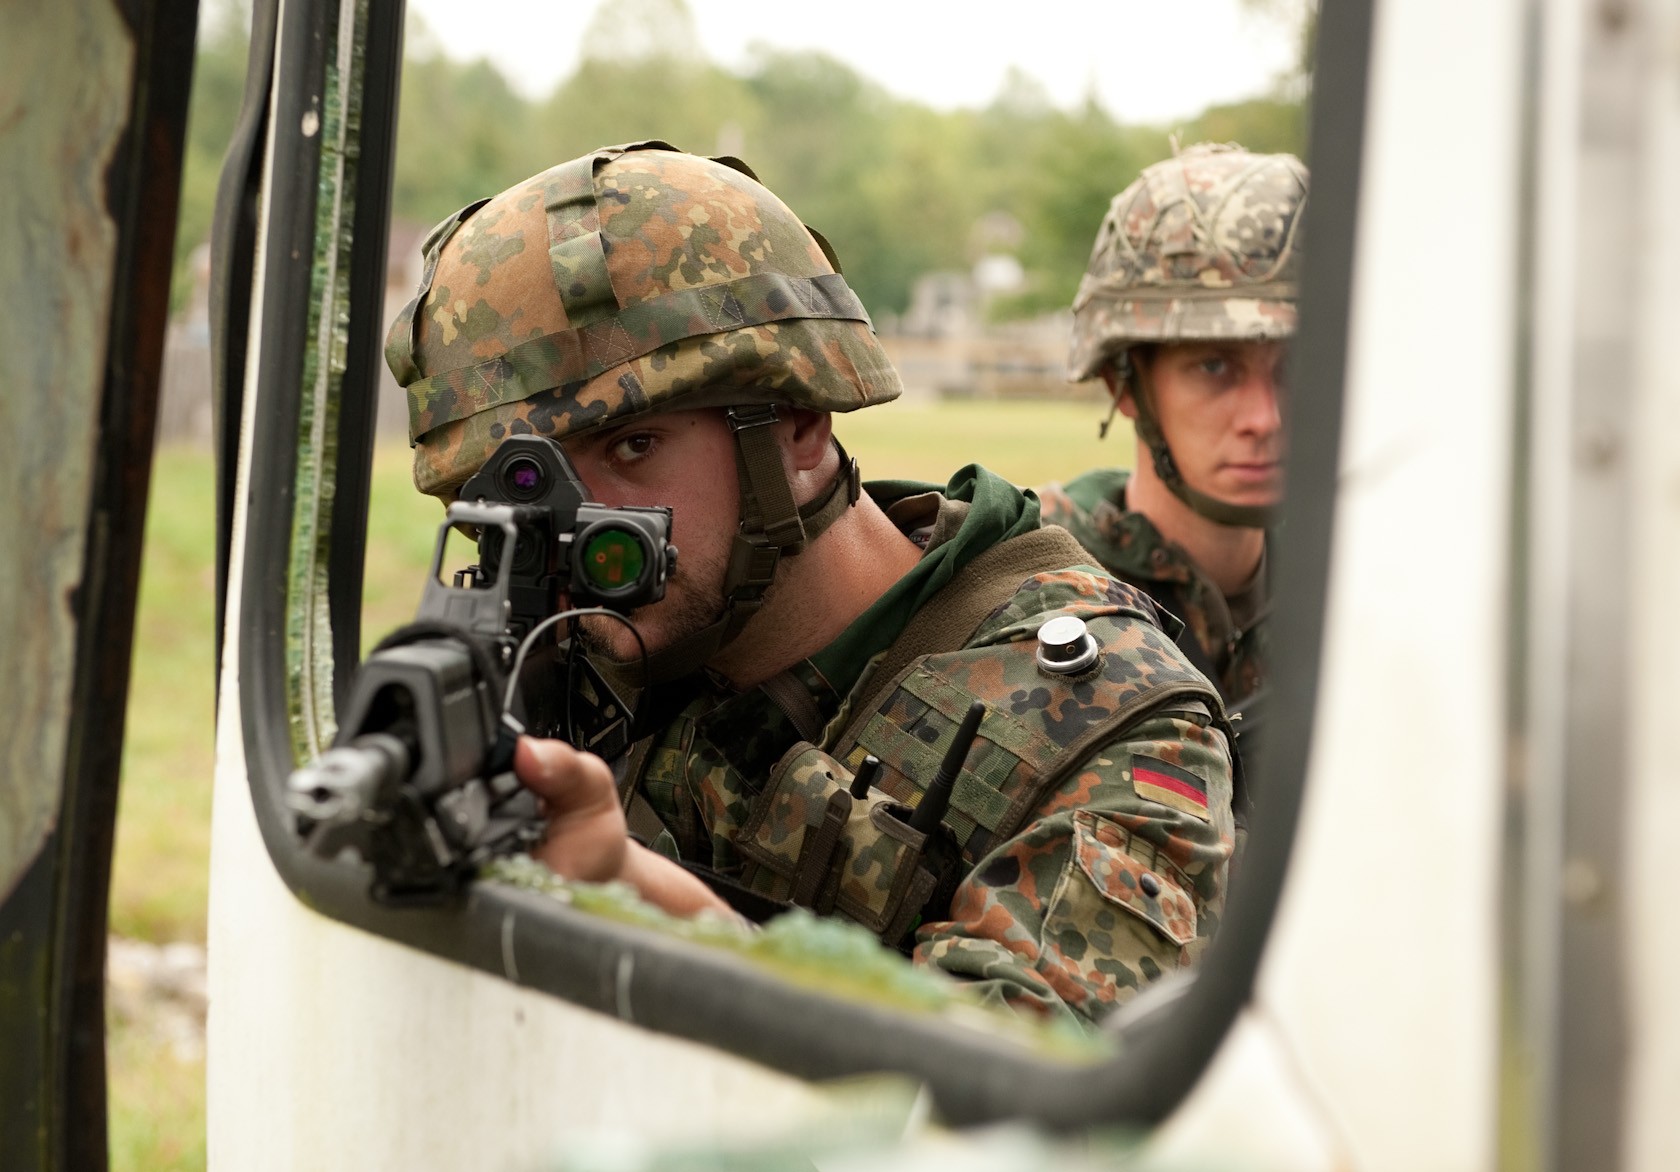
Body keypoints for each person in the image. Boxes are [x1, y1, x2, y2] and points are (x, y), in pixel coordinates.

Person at [384, 141, 1236, 1029]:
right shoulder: (597, 655)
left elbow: (991, 1099)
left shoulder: (1115, 733)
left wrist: (636, 891)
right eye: (526, 480)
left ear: (795, 427)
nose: (581, 523)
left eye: (632, 447)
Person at [1037, 143, 1307, 728]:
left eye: (1293, 368)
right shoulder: (1037, 590)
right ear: (1125, 383)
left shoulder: (1354, 574)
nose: (1266, 419)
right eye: (1215, 367)